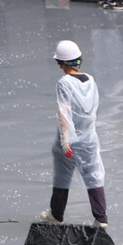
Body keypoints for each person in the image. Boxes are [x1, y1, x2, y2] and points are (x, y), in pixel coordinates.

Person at [39, 40, 108, 228]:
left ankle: (56, 213)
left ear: (60, 63)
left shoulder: (64, 83)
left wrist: (65, 140)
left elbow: (64, 111)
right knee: (93, 174)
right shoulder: (91, 80)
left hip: (71, 139)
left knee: (62, 173)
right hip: (90, 137)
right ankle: (101, 218)